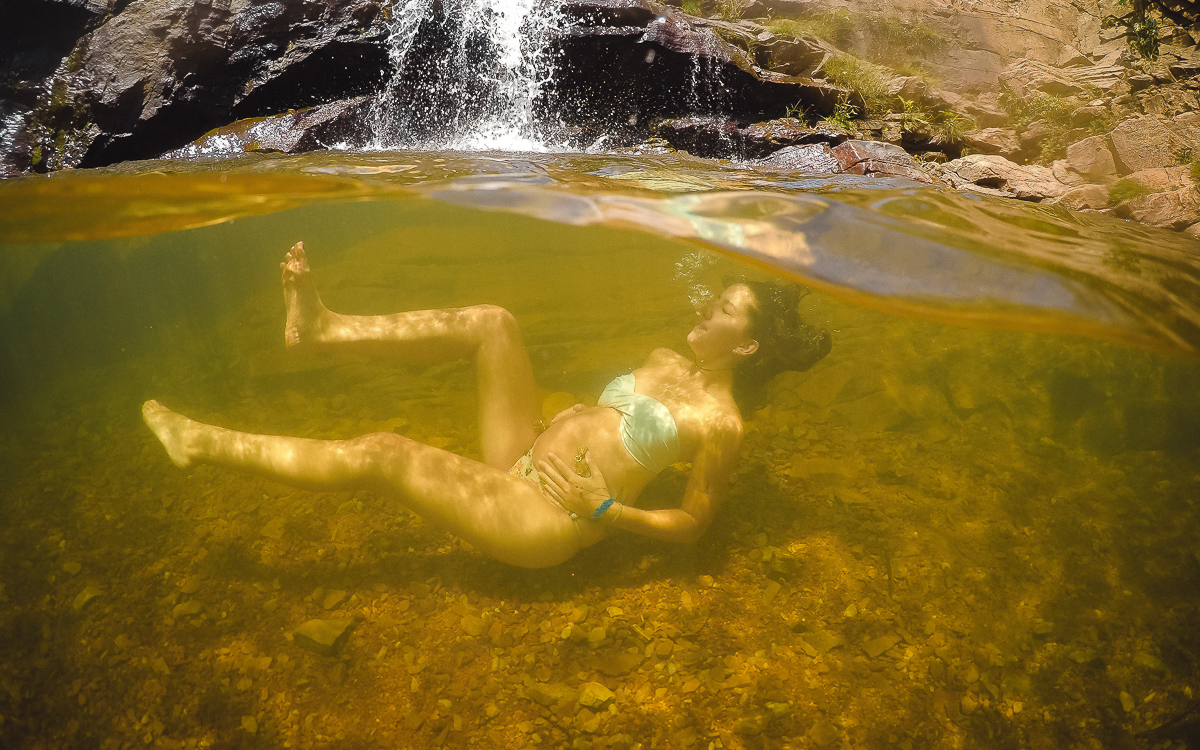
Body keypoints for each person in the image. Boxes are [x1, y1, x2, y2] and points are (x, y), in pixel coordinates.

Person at [143, 242, 830, 568]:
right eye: (714, 301)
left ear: (748, 348)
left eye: (723, 312)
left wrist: (605, 510)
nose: (706, 309)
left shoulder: (722, 424)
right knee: (494, 323)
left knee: (384, 452)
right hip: (521, 456)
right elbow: (606, 421)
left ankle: (199, 442)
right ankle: (324, 328)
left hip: (547, 516)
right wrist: (562, 417)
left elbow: (693, 523)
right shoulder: (664, 359)